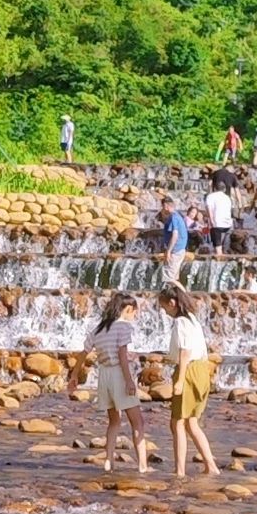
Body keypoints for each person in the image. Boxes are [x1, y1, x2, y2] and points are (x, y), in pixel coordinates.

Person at [67, 295, 148, 474]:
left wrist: (73, 376)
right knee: (138, 422)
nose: (135, 316)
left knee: (114, 421)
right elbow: (121, 355)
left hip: (104, 376)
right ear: (127, 310)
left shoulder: (99, 329)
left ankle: (109, 461)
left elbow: (83, 353)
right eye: (134, 312)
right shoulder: (124, 327)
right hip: (119, 373)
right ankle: (142, 466)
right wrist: (128, 380)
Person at [158, 288, 219, 476]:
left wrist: (180, 380)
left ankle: (180, 471)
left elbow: (185, 352)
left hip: (189, 370)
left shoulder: (180, 322)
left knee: (177, 423)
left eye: (163, 306)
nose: (164, 311)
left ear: (172, 303)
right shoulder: (193, 319)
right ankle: (211, 466)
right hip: (202, 369)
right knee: (192, 422)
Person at [159, 198, 190, 284]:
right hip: (180, 249)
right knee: (174, 279)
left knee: (168, 279)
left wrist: (168, 251)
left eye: (162, 207)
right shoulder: (177, 215)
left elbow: (175, 235)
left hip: (176, 251)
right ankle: (180, 296)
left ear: (166, 206)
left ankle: (184, 296)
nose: (161, 209)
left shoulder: (174, 217)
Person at [204, 182, 234, 257]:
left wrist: (211, 220)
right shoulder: (227, 197)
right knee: (224, 246)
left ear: (214, 188)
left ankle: (219, 258)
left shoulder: (210, 196)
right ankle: (224, 255)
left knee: (218, 246)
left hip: (217, 223)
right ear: (224, 189)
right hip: (228, 224)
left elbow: (209, 209)